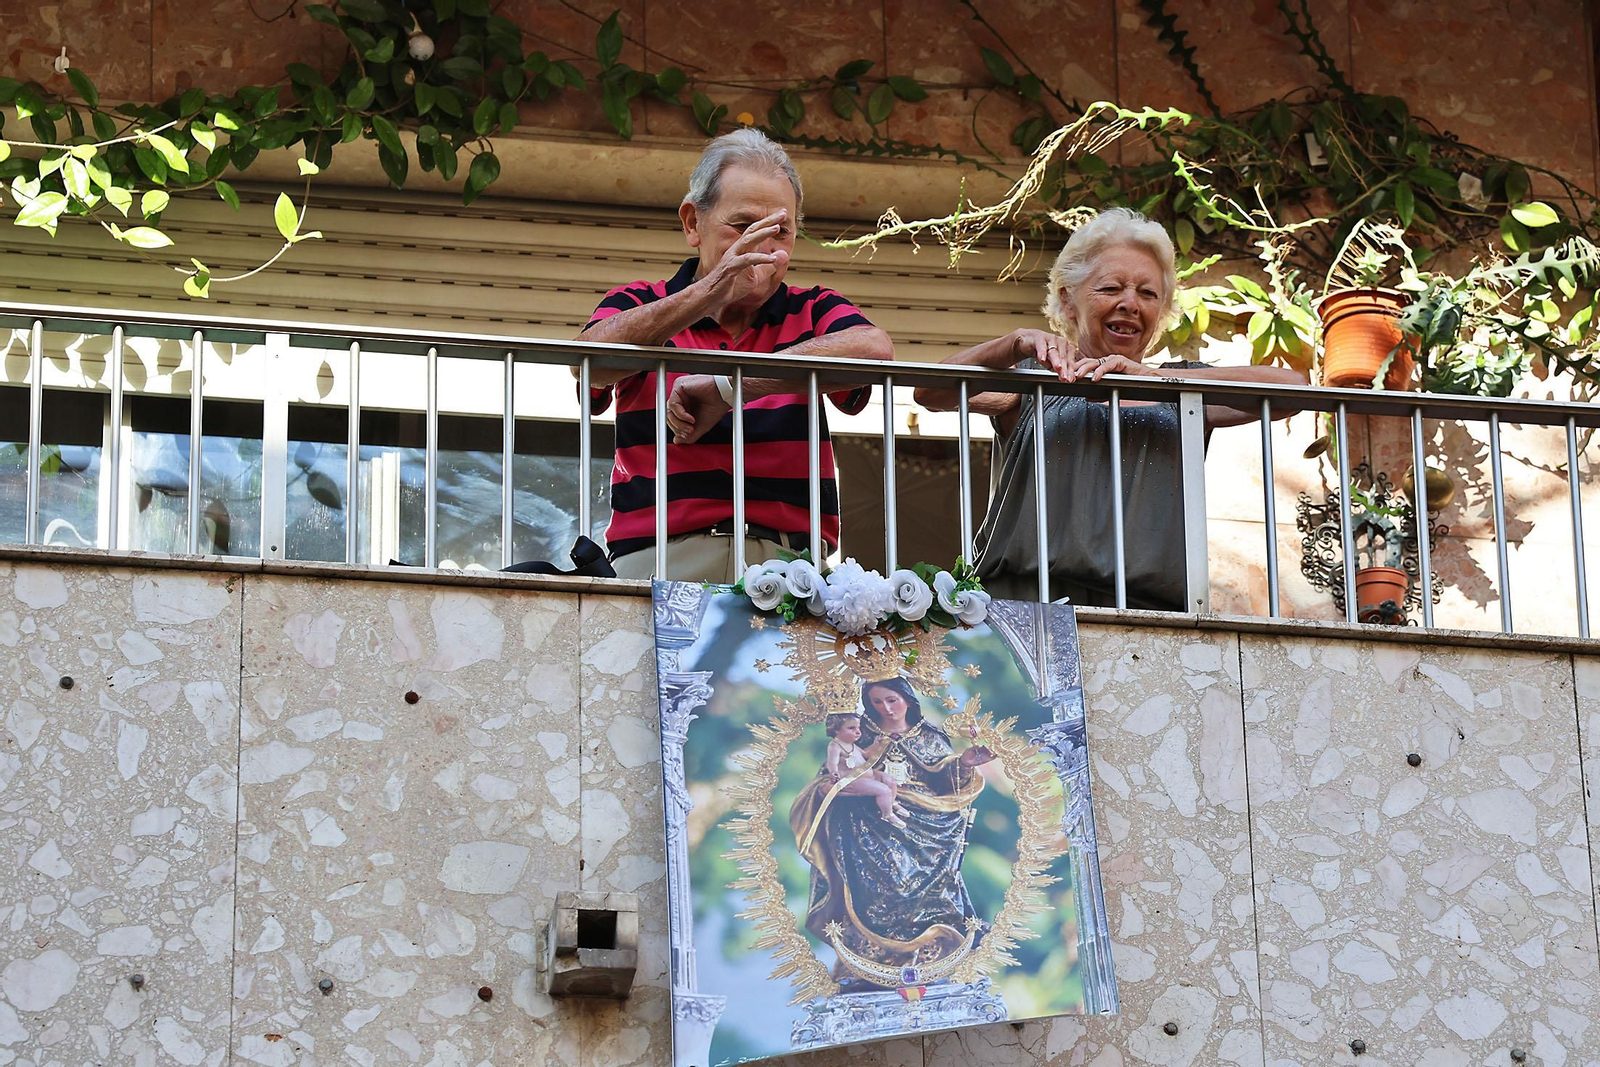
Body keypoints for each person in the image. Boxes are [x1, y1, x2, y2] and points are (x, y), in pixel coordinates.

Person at [914, 207, 1306, 609]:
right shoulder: (1032, 380)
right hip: (1024, 606)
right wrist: (1013, 344)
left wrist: (1155, 381)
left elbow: (1292, 390)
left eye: (1148, 293)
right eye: (1110, 288)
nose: (1130, 304)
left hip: (1151, 617)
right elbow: (929, 392)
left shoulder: (1182, 389)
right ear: (1069, 301)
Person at [577, 128, 894, 582]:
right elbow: (590, 361)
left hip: (790, 568)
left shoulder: (814, 307)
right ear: (692, 223)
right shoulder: (640, 303)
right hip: (659, 560)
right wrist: (709, 292)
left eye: (779, 231)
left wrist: (728, 388)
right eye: (743, 226)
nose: (762, 247)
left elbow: (876, 351)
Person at [789, 677, 995, 991]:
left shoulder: (929, 736)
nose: (885, 708)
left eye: (891, 700)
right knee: (881, 889)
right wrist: (836, 787)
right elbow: (832, 777)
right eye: (876, 703)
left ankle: (934, 955)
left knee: (931, 890)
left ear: (908, 700)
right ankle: (872, 961)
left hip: (925, 830)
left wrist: (964, 763)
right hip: (868, 832)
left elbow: (946, 781)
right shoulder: (860, 736)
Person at [822, 712, 909, 828]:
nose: (858, 732)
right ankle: (887, 814)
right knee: (884, 790)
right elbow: (832, 761)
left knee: (890, 780)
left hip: (868, 775)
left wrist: (876, 745)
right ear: (836, 730)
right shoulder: (835, 746)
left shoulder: (851, 744)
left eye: (858, 728)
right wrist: (833, 772)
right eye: (851, 728)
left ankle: (892, 802)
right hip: (852, 780)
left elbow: (866, 755)